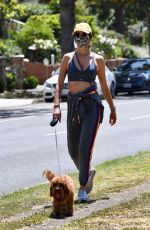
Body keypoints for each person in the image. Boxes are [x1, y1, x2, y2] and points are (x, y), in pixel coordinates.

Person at [53, 22, 117, 202]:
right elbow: (59, 84)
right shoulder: (67, 58)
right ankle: (88, 172)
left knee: (84, 146)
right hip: (73, 104)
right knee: (73, 151)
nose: (80, 38)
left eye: (84, 34)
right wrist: (56, 106)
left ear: (91, 37)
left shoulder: (98, 60)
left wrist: (112, 108)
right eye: (77, 34)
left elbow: (104, 86)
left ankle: (82, 190)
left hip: (92, 105)